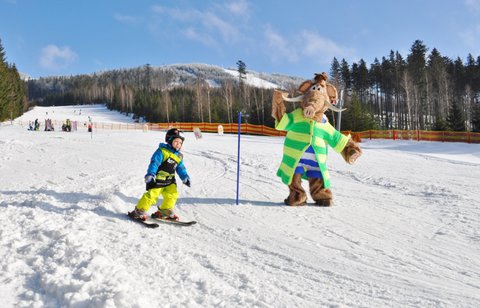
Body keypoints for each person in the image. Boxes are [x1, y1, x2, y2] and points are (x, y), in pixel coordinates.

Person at [129, 128, 191, 221]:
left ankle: (164, 210)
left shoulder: (179, 156)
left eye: (180, 143)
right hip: (158, 179)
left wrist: (185, 177)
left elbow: (180, 168)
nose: (178, 144)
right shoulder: (162, 151)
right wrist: (151, 174)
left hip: (170, 181)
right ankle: (139, 211)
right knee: (151, 196)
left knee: (172, 195)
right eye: (176, 141)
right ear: (169, 140)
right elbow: (154, 163)